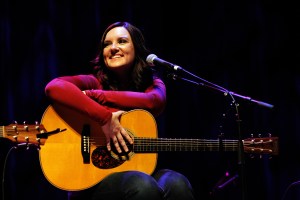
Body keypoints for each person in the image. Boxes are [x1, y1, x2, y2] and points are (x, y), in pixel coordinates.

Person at [44, 21, 196, 200]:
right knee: (142, 185)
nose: (113, 48)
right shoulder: (94, 81)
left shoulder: (152, 83)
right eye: (107, 44)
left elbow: (154, 102)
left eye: (122, 41)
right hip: (93, 178)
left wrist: (97, 96)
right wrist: (105, 119)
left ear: (137, 49)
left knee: (178, 183)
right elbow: (54, 87)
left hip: (135, 172)